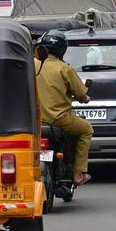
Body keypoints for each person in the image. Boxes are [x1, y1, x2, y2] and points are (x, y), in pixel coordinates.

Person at [34, 31, 93, 186]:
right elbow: (82, 96)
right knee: (86, 129)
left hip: (34, 120)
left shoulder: (32, 64)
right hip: (59, 120)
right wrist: (85, 98)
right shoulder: (65, 69)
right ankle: (78, 172)